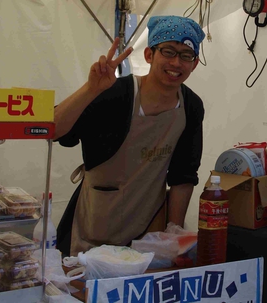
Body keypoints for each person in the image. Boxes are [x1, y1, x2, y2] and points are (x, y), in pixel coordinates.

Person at [55, 15, 205, 257]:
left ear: (194, 64)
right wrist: (91, 89)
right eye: (168, 51)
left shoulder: (191, 106)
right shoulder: (115, 93)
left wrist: (172, 236)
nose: (176, 62)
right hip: (93, 226)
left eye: (186, 55)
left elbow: (183, 176)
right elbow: (53, 130)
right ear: (149, 55)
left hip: (148, 228)